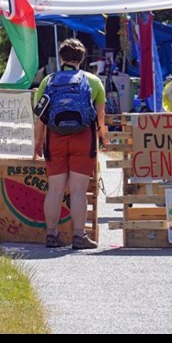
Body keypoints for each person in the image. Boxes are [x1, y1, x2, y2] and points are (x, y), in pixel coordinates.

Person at [33, 38, 106, 250]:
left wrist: (38, 142)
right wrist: (102, 140)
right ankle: (79, 235)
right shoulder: (93, 82)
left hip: (55, 138)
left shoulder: (48, 81)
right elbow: (100, 119)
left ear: (61, 58)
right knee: (78, 191)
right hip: (83, 138)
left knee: (55, 189)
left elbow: (40, 117)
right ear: (81, 59)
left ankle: (51, 235)